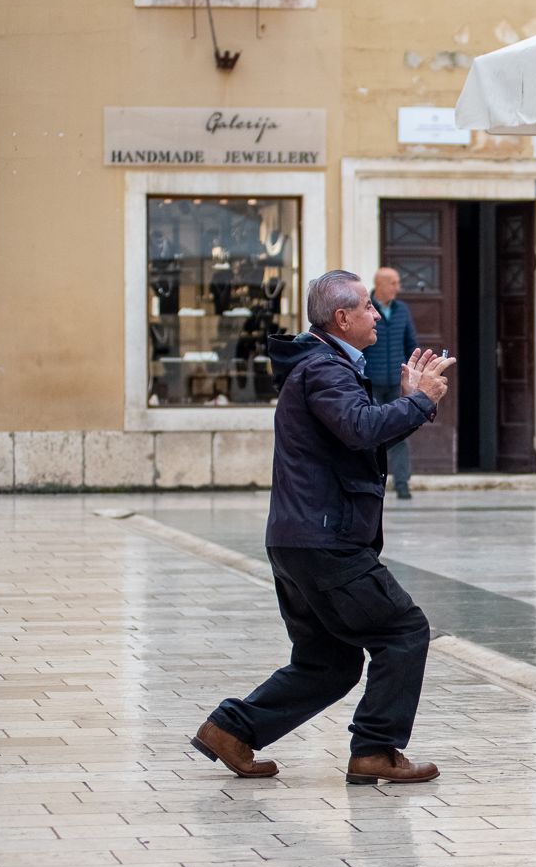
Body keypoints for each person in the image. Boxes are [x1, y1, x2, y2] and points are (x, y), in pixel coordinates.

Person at [192, 270, 455, 785]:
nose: (376, 315)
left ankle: (231, 730)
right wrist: (420, 400)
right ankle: (375, 750)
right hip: (326, 541)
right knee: (404, 631)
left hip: (301, 539)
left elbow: (355, 434)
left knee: (328, 663)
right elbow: (360, 429)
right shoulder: (324, 370)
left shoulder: (323, 366)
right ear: (341, 317)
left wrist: (410, 403)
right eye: (367, 307)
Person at [362, 267, 419, 499]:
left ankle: (402, 483)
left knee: (400, 433)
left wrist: (409, 374)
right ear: (379, 284)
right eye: (393, 283)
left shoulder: (402, 310)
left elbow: (410, 343)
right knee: (370, 433)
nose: (398, 288)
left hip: (396, 382)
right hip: (371, 383)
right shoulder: (365, 309)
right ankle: (370, 482)